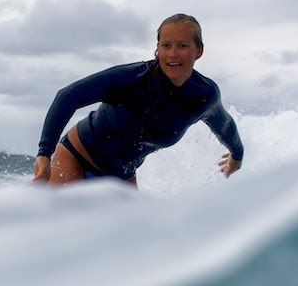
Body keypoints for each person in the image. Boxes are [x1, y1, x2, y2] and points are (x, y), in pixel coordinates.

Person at [33, 14, 244, 187]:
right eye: (166, 45)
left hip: (121, 176)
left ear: (199, 51)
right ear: (158, 48)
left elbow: (225, 126)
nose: (172, 54)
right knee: (54, 227)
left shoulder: (203, 96)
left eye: (182, 46)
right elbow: (67, 96)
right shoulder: (131, 79)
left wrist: (237, 154)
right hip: (78, 157)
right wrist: (44, 153)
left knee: (129, 237)